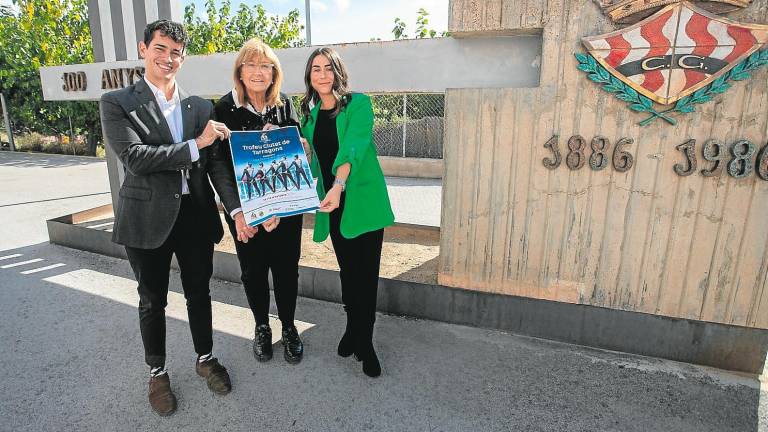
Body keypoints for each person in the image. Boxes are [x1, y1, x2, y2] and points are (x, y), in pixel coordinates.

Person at [99, 20, 273, 416]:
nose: (167, 58)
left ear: (183, 57)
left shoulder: (200, 107)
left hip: (195, 218)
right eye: (160, 48)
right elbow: (135, 159)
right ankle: (158, 372)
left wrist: (238, 209)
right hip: (146, 219)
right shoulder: (117, 102)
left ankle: (205, 357)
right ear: (144, 49)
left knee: (199, 293)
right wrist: (196, 143)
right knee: (152, 300)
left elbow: (216, 168)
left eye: (175, 52)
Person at [212, 38, 311, 364]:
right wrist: (239, 213)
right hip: (246, 214)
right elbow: (219, 165)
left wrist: (290, 140)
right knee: (253, 273)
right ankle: (262, 327)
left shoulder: (284, 105)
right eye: (250, 65)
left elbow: (300, 153)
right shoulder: (223, 108)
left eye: (265, 66)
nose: (258, 72)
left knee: (286, 271)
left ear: (274, 73)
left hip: (285, 212)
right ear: (240, 71)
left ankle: (288, 327)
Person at [300, 47, 394, 377]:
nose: (322, 74)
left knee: (365, 276)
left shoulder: (359, 104)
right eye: (316, 69)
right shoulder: (309, 117)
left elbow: (353, 146)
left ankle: (365, 342)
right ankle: (352, 328)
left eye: (328, 68)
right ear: (310, 77)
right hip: (333, 206)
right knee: (347, 272)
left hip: (361, 204)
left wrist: (338, 186)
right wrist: (300, 148)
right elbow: (312, 159)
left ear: (338, 72)